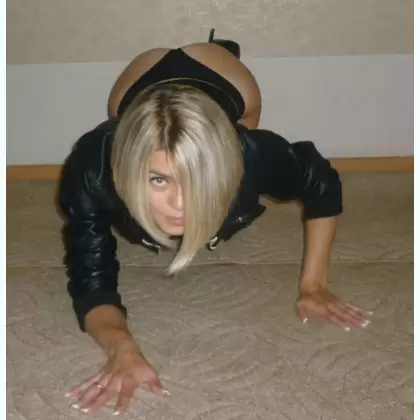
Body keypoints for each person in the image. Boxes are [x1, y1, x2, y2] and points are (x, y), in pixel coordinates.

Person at [58, 30, 372, 416]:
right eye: (159, 180)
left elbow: (321, 181)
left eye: (196, 179)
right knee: (139, 129)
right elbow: (91, 279)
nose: (180, 204)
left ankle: (221, 50)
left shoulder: (248, 153)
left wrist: (314, 285)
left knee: (234, 135)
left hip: (221, 74)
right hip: (138, 81)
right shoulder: (93, 165)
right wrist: (121, 346)